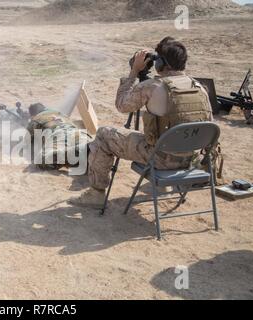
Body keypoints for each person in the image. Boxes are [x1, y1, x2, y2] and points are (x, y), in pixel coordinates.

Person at [70, 37, 213, 207]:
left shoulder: (153, 87)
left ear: (160, 63)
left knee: (103, 134)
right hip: (191, 160)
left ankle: (96, 194)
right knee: (165, 138)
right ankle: (168, 185)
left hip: (159, 158)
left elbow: (122, 105)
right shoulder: (199, 87)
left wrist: (134, 71)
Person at [26, 103, 91, 170]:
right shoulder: (61, 114)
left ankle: (78, 151)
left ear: (33, 115)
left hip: (58, 136)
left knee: (40, 160)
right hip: (79, 134)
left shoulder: (36, 119)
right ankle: (87, 149)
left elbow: (27, 144)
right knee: (89, 155)